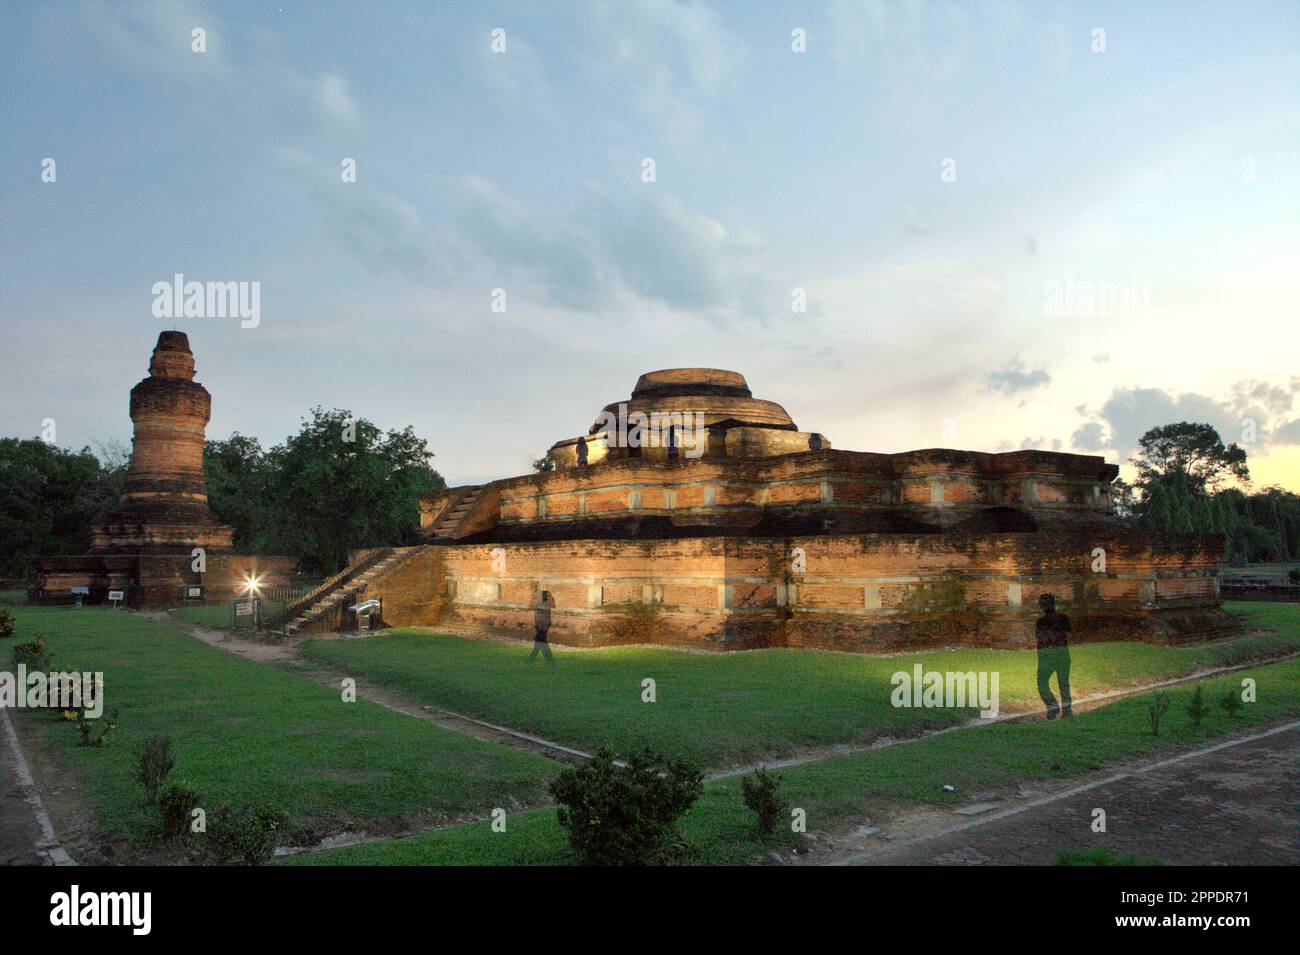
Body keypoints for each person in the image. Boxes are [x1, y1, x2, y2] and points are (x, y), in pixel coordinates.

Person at [1034, 593, 1072, 718]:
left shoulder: (1041, 622)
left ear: (1042, 606)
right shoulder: (1063, 618)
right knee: (1064, 684)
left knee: (1042, 682)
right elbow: (1069, 632)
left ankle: (1052, 706)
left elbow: (1041, 642)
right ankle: (1067, 712)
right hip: (1063, 653)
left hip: (1048, 654)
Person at [529, 590, 556, 664]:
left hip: (543, 626)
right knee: (541, 642)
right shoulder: (543, 604)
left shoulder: (543, 604)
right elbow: (531, 606)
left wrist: (532, 597)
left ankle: (532, 659)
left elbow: (531, 606)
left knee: (540, 641)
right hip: (542, 625)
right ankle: (549, 661)